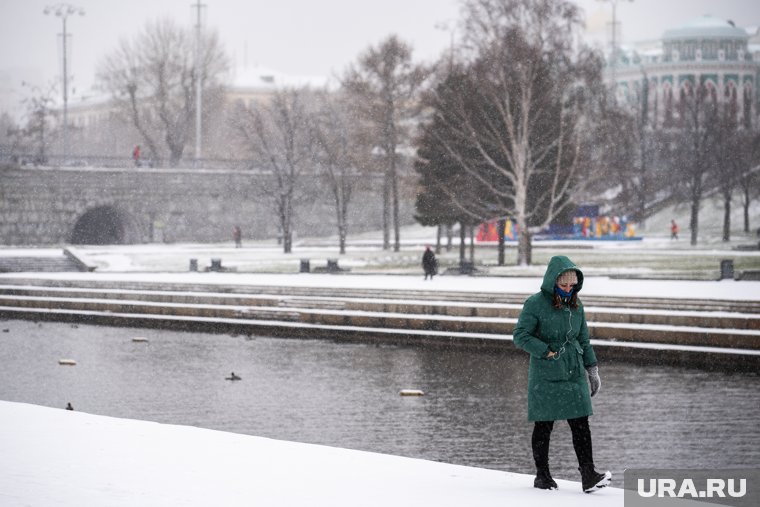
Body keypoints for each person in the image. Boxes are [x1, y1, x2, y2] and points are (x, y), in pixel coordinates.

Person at [513, 255, 611, 493]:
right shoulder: (535, 304)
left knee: (581, 423)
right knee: (544, 424)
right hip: (546, 373)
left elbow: (583, 339)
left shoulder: (577, 306)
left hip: (573, 371)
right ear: (552, 282)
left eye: (572, 286)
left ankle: (588, 475)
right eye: (563, 285)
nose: (568, 290)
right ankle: (543, 476)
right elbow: (520, 335)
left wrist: (592, 369)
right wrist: (544, 351)